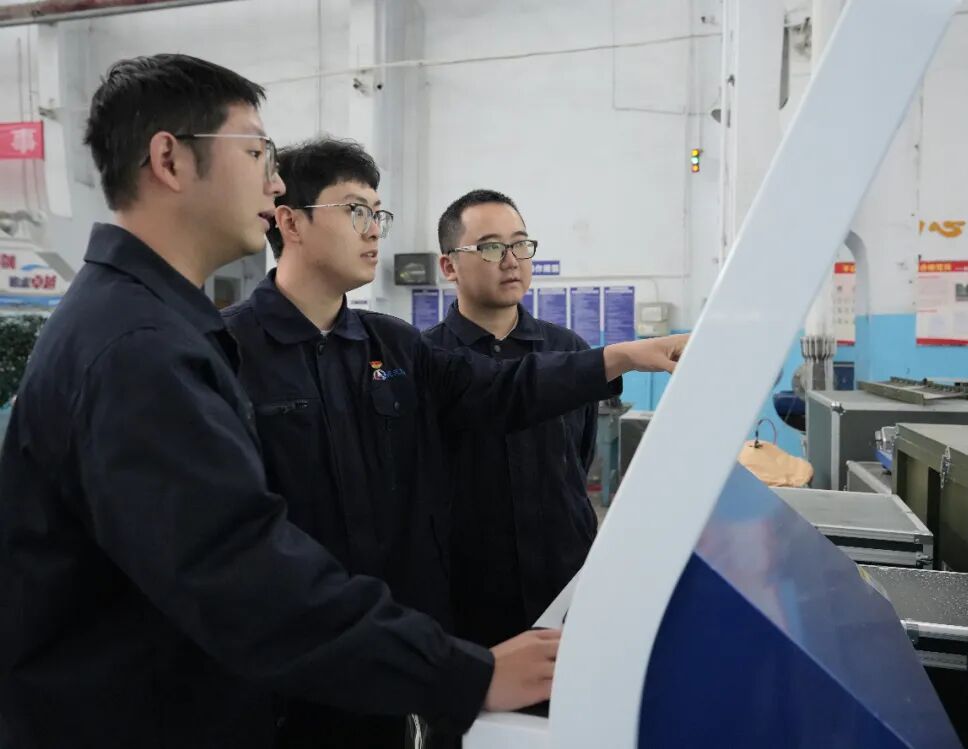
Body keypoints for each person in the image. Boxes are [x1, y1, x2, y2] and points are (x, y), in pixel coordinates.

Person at [0, 55, 610, 749]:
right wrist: (465, 674)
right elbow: (240, 572)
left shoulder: (152, 325)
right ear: (169, 159)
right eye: (255, 152)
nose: (273, 180)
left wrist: (618, 358)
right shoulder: (140, 348)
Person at [222, 137, 688, 746]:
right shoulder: (226, 351)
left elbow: (503, 390)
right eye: (355, 210)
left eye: (378, 213)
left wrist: (623, 355)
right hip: (287, 658)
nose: (374, 229)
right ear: (290, 222)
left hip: (392, 638)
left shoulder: (392, 345)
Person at [423, 189, 598, 648]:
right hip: (467, 600)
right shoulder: (425, 360)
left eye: (520, 244)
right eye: (490, 247)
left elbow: (578, 459)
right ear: (449, 266)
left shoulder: (569, 352)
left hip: (565, 587)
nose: (511, 260)